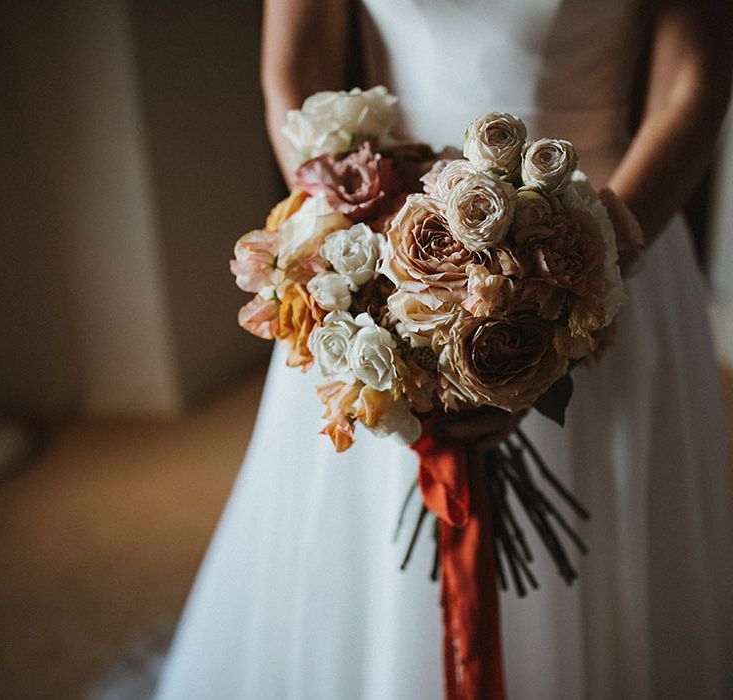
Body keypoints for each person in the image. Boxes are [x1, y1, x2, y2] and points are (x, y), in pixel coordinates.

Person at [154, 0, 733, 697]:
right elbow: (296, 69)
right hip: (384, 253)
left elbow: (691, 86)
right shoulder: (367, 260)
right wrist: (353, 250)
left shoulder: (596, 256)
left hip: (611, 234)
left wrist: (575, 280)